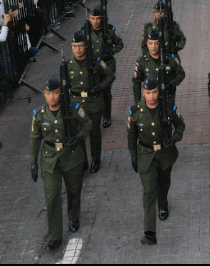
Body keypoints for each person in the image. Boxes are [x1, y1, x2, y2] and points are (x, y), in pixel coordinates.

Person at [29, 77, 93, 251]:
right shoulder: (40, 114)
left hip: (71, 156)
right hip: (50, 160)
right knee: (52, 197)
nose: (51, 97)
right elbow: (35, 138)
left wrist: (78, 137)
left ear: (61, 93)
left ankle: (73, 217)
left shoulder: (73, 109)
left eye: (55, 93)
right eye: (48, 93)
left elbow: (87, 124)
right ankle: (55, 236)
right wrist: (33, 162)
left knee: (74, 190)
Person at [127, 76, 186, 246]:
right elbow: (131, 136)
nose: (151, 96)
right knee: (148, 191)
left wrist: (174, 139)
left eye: (154, 92)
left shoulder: (168, 108)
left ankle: (164, 204)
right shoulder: (135, 112)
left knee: (164, 183)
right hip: (145, 155)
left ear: (158, 92)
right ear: (143, 93)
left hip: (165, 153)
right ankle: (150, 232)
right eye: (148, 93)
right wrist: (133, 155)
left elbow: (180, 125)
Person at [67, 30, 114, 173]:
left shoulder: (96, 62)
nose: (77, 49)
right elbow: (66, 86)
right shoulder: (68, 65)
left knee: (94, 133)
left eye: (80, 46)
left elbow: (110, 76)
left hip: (93, 102)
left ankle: (96, 159)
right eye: (74, 46)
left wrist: (99, 86)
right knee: (79, 134)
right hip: (76, 103)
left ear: (86, 46)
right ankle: (83, 162)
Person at [86, 7, 124, 128]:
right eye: (93, 19)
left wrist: (111, 51)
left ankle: (107, 116)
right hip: (92, 66)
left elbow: (120, 43)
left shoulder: (109, 30)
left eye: (98, 19)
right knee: (93, 91)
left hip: (107, 65)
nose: (95, 21)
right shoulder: (84, 31)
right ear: (89, 18)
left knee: (106, 92)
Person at [133, 31, 185, 103]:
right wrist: (137, 102)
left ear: (160, 44)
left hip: (168, 99)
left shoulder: (170, 59)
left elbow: (181, 73)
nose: (153, 46)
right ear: (147, 44)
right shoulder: (142, 62)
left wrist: (172, 84)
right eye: (150, 43)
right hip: (151, 101)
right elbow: (136, 82)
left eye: (156, 43)